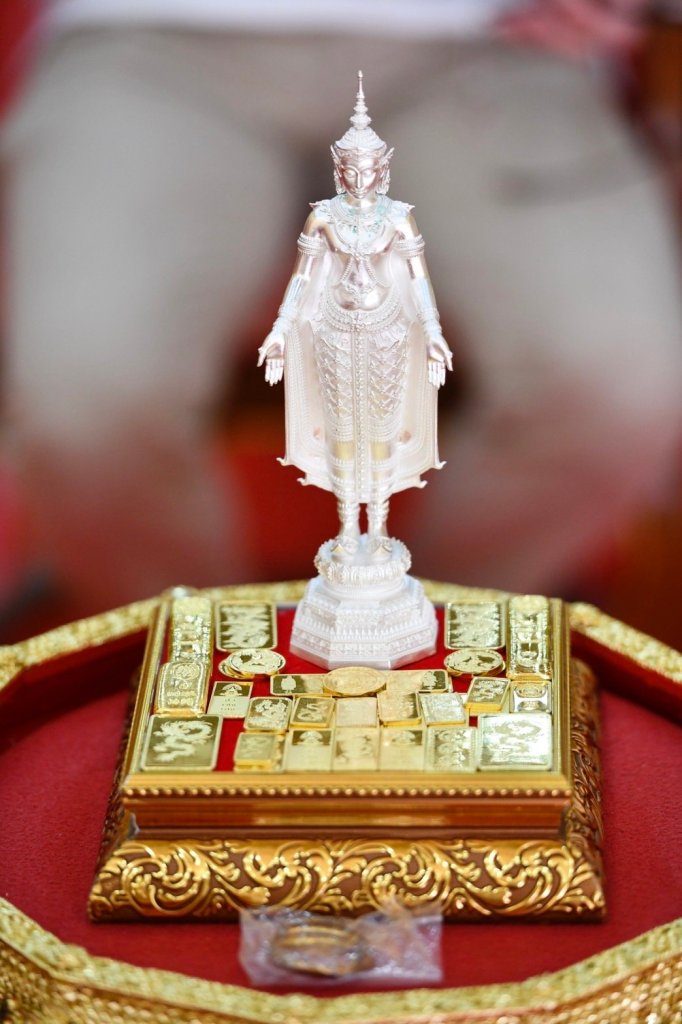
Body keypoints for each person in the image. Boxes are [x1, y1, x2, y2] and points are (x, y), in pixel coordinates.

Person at [3, 1, 681, 615]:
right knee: (83, 392)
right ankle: (193, 664)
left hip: (497, 46)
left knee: (620, 386)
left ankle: (436, 646)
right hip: (145, 37)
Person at [258, 73, 452, 559]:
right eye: (350, 169)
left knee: (383, 426)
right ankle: (348, 526)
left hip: (388, 329)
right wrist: (280, 330)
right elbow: (302, 277)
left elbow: (419, 278)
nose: (359, 179)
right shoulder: (323, 216)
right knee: (342, 427)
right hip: (334, 329)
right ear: (338, 169)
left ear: (382, 169)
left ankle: (380, 528)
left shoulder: (398, 217)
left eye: (367, 170)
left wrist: (433, 333)